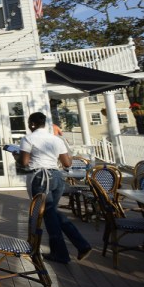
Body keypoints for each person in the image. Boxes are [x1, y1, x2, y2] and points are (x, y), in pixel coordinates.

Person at [19, 112, 92, 264]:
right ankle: (81, 244)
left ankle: (62, 253)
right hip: (57, 177)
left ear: (32, 124)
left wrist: (17, 155)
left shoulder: (28, 139)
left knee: (49, 215)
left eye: (29, 123)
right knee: (51, 212)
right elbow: (67, 164)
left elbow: (24, 163)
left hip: (40, 178)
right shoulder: (55, 139)